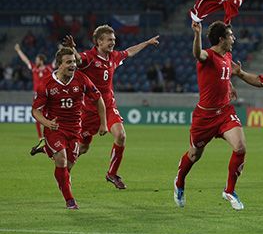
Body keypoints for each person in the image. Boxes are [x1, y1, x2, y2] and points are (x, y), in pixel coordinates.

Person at [63, 25, 159, 189]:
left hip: (108, 106)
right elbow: (78, 60)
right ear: (99, 41)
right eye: (109, 40)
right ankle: (63, 172)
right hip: (89, 110)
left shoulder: (113, 56)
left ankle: (112, 173)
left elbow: (129, 51)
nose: (113, 43)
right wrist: (73, 49)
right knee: (83, 147)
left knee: (121, 135)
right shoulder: (89, 57)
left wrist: (147, 43)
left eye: (114, 40)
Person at [173, 20, 246, 210]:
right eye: (230, 36)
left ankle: (229, 191)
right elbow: (198, 54)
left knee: (240, 147)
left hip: (225, 112)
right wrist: (197, 34)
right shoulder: (209, 55)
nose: (234, 38)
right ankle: (179, 181)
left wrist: (230, 85)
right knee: (195, 154)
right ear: (221, 39)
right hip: (204, 118)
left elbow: (224, 72)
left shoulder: (227, 55)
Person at [31, 47, 107, 209]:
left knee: (69, 166)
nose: (73, 65)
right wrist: (47, 123)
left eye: (74, 61)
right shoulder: (46, 84)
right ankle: (70, 201)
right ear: (59, 65)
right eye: (68, 62)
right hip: (55, 129)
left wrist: (103, 123)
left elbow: (98, 99)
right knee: (61, 159)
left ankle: (48, 153)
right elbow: (35, 111)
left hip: (75, 130)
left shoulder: (81, 79)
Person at [14, 43, 54, 139]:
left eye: (37, 60)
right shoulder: (34, 69)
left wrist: (62, 50)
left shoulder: (48, 69)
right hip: (37, 96)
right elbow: (25, 60)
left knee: (49, 114)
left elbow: (56, 62)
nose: (35, 61)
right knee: (37, 115)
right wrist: (19, 51)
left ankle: (51, 134)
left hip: (47, 95)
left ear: (41, 60)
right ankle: (41, 137)